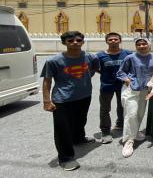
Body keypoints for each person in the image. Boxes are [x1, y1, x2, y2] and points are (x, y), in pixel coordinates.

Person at [41, 31, 99, 171]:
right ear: (64, 43)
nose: (75, 42)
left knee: (80, 120)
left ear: (82, 42)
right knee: (63, 129)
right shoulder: (53, 61)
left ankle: (79, 138)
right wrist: (46, 101)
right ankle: (65, 158)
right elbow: (47, 81)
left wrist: (83, 81)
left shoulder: (90, 57)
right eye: (70, 40)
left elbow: (93, 70)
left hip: (84, 96)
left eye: (78, 40)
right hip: (62, 100)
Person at [116, 37, 153, 158]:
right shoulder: (130, 57)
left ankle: (135, 132)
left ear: (149, 45)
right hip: (131, 90)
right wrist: (127, 80)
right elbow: (120, 72)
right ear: (136, 46)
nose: (142, 46)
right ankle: (128, 141)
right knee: (131, 114)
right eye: (139, 44)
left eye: (144, 44)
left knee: (139, 113)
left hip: (145, 90)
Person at [96, 32, 132, 144]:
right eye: (110, 39)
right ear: (106, 41)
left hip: (123, 85)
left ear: (120, 40)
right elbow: (97, 68)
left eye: (115, 39)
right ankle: (105, 132)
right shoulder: (100, 56)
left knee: (122, 106)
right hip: (107, 85)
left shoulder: (127, 54)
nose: (113, 41)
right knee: (105, 109)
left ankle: (120, 124)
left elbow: (131, 67)